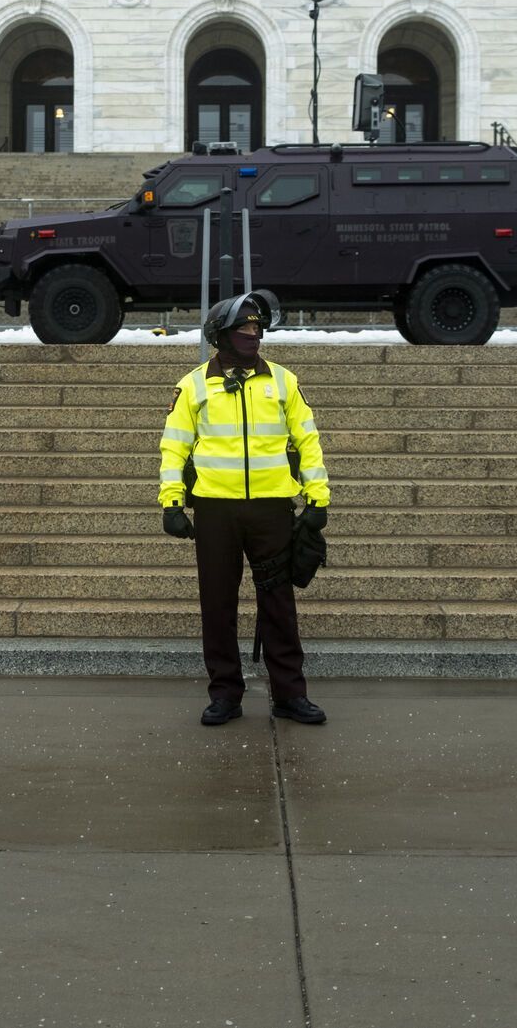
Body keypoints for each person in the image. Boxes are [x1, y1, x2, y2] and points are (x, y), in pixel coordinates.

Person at [158, 290, 330, 727]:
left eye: (257, 328)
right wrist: (172, 501)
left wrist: (317, 498)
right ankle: (225, 694)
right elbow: (174, 448)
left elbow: (307, 441)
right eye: (244, 329)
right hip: (216, 511)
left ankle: (289, 694)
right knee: (217, 604)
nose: (254, 335)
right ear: (221, 335)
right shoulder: (195, 384)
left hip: (272, 508)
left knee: (279, 604)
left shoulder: (283, 381)